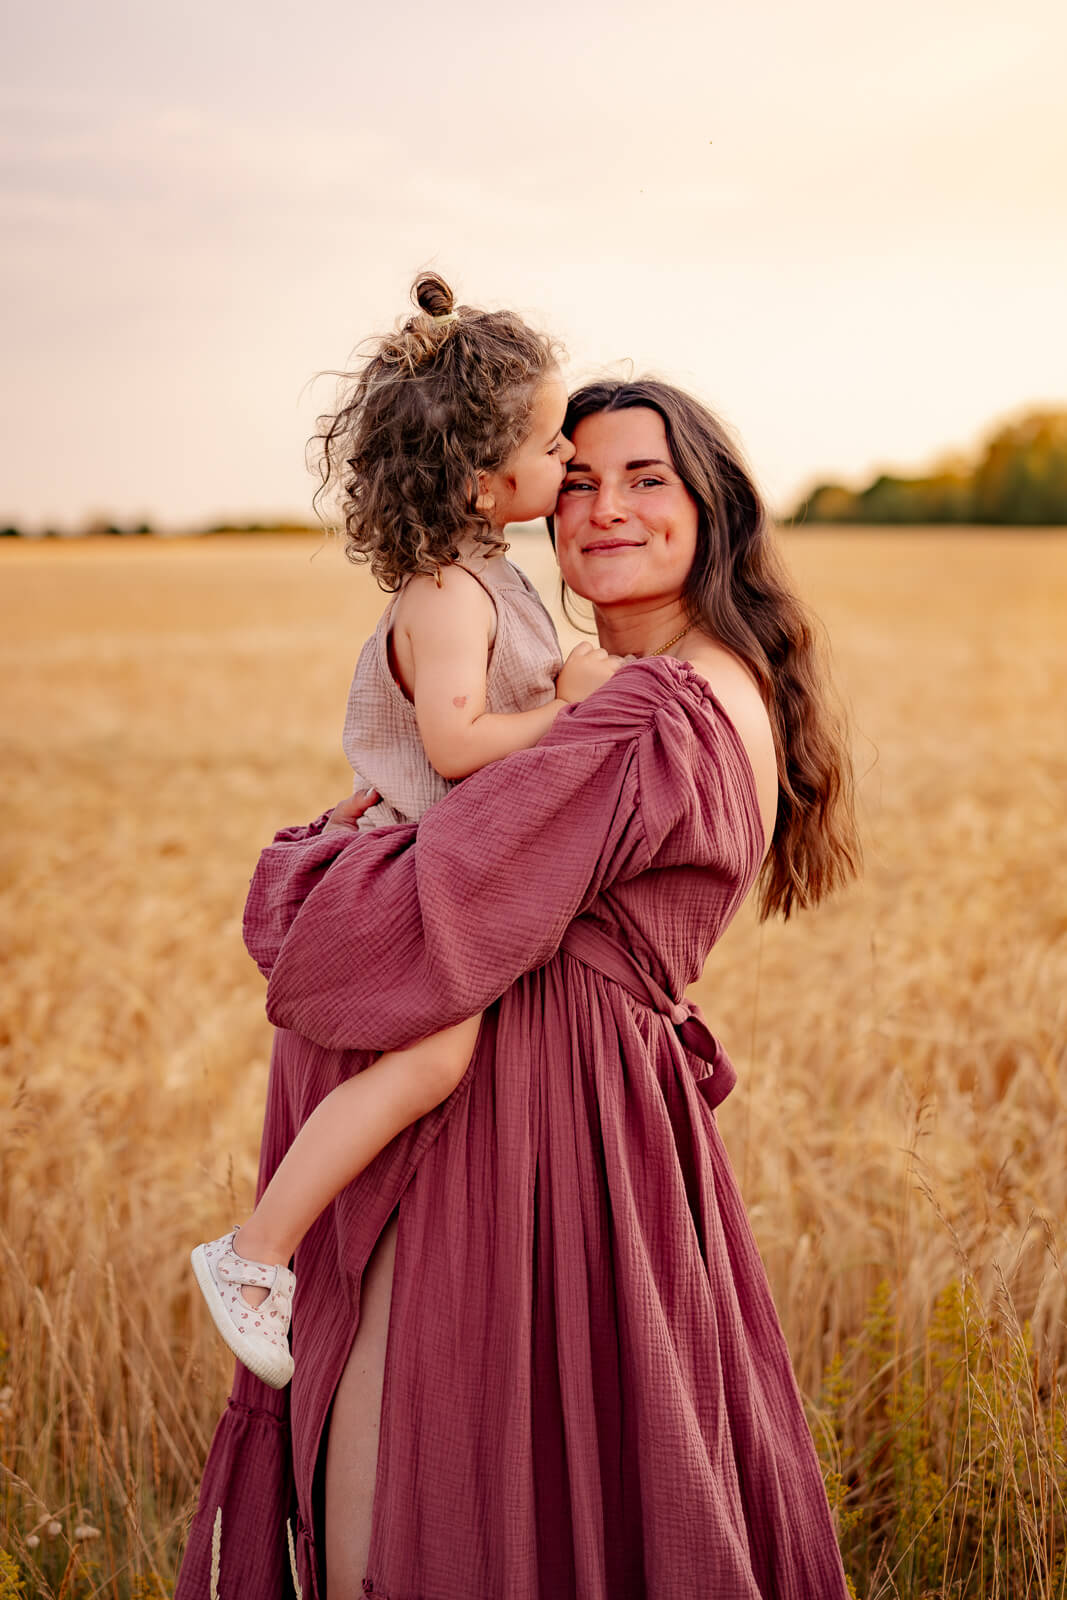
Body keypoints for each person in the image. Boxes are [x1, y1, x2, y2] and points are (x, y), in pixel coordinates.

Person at [176, 378, 860, 1600]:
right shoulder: (669, 685)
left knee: (417, 1489)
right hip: (571, 1120)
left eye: (646, 477)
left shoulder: (656, 706)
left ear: (714, 503)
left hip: (531, 1127)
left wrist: (310, 863)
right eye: (579, 479)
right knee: (545, 1484)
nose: (604, 506)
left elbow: (421, 905)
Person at [190, 273, 622, 1388]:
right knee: (434, 1057)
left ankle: (264, 1250)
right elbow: (454, 746)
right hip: (421, 872)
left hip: (447, 862)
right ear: (482, 480)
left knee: (443, 1061)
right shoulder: (449, 596)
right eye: (546, 441)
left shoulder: (490, 574)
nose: (569, 455)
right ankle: (253, 1251)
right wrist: (573, 703)